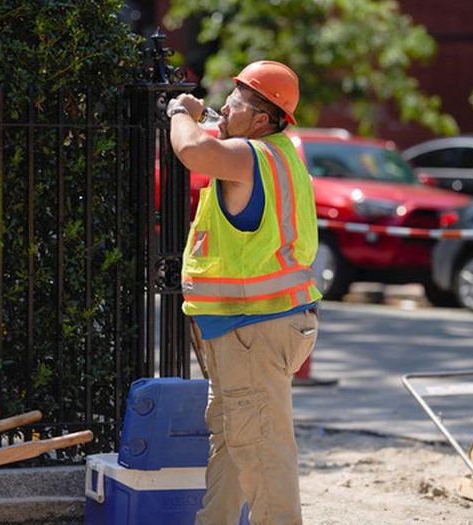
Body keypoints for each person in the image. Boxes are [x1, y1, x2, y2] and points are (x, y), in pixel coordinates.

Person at [167, 60, 322, 525]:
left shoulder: (249, 157)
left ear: (259, 118)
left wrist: (181, 110)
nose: (224, 108)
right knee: (236, 439)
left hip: (253, 327)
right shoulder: (277, 155)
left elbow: (191, 151)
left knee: (261, 451)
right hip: (256, 326)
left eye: (234, 101)